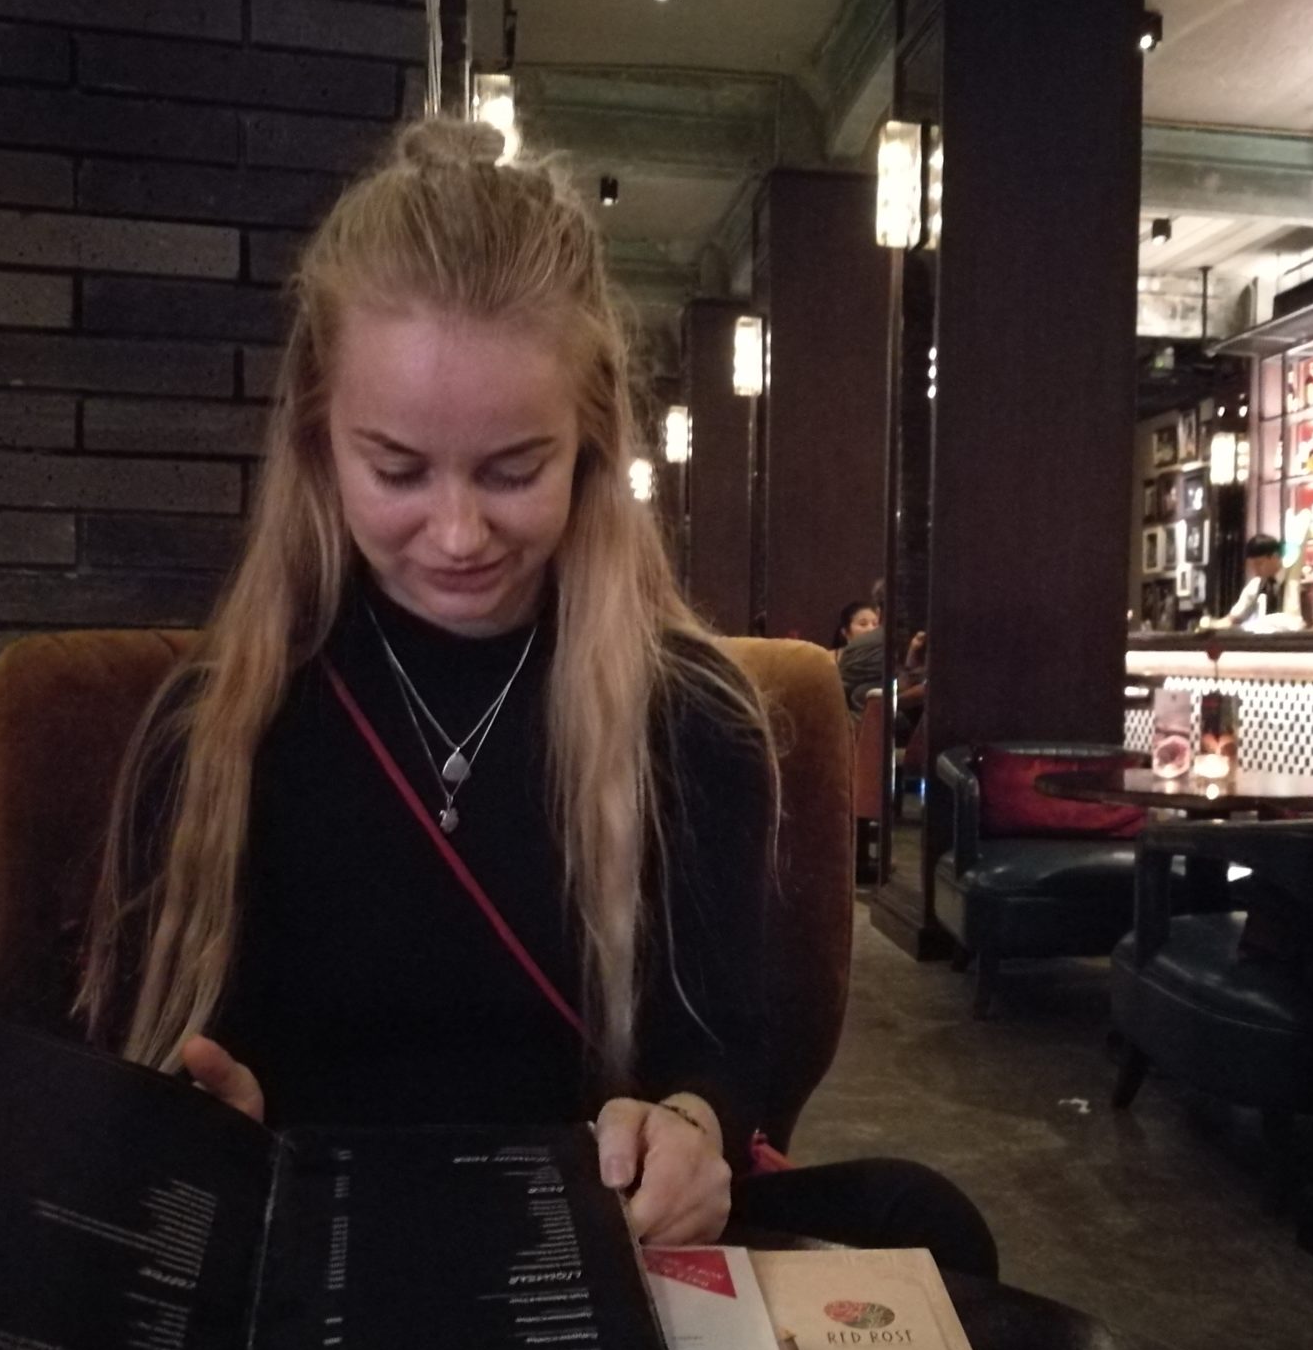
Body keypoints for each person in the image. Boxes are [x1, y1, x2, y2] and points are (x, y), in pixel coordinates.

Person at [76, 118, 995, 1277]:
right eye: (396, 469)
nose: (458, 533)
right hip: (307, 1255)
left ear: (588, 442)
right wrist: (202, 1128)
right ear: (318, 441)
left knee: (924, 1221)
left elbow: (716, 1047)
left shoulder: (691, 716)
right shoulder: (214, 725)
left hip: (590, 1250)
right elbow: (145, 1064)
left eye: (514, 470)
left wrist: (691, 1128)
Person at [1212, 533, 1302, 630]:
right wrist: (1210, 624)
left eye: (1259, 564)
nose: (1255, 570)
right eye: (1251, 565)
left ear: (1275, 557)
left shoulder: (1296, 581)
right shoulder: (1256, 585)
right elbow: (1233, 619)